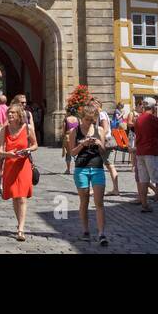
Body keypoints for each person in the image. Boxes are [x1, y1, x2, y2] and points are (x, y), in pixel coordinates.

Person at [67, 102, 109, 246]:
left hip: (97, 168)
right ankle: (85, 231)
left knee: (99, 202)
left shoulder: (100, 130)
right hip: (81, 169)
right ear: (81, 118)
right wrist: (82, 145)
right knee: (84, 201)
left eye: (92, 120)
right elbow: (72, 153)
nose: (89, 122)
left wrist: (99, 144)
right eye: (87, 120)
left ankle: (101, 233)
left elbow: (104, 152)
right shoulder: (75, 131)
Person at [0, 104, 36, 241]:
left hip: (24, 165)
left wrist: (28, 150)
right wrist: (7, 154)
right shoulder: (5, 130)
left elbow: (35, 144)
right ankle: (19, 223)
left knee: (22, 197)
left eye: (13, 113)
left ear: (19, 115)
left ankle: (21, 228)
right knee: (15, 195)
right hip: (10, 165)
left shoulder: (27, 129)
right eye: (9, 113)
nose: (10, 115)